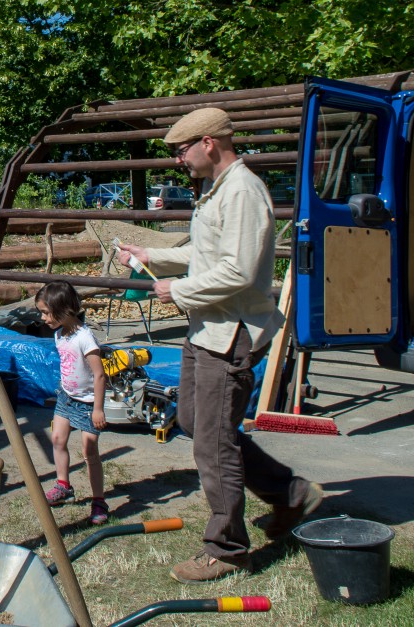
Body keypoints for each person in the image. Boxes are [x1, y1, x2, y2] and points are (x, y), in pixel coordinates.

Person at [116, 107, 322, 584]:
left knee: (213, 443)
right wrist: (153, 256)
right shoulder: (215, 190)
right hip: (205, 330)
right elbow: (202, 252)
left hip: (229, 335)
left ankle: (227, 548)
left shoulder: (244, 191)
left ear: (209, 143)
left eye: (182, 150)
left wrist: (178, 291)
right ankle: (292, 494)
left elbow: (239, 272)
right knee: (192, 421)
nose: (179, 160)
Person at [36, 280, 111, 525]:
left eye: (46, 312)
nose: (43, 318)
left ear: (65, 310)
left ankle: (98, 501)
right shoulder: (59, 334)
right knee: (57, 439)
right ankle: (63, 485)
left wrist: (98, 408)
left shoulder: (85, 338)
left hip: (88, 403)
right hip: (66, 397)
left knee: (90, 452)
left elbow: (99, 375)